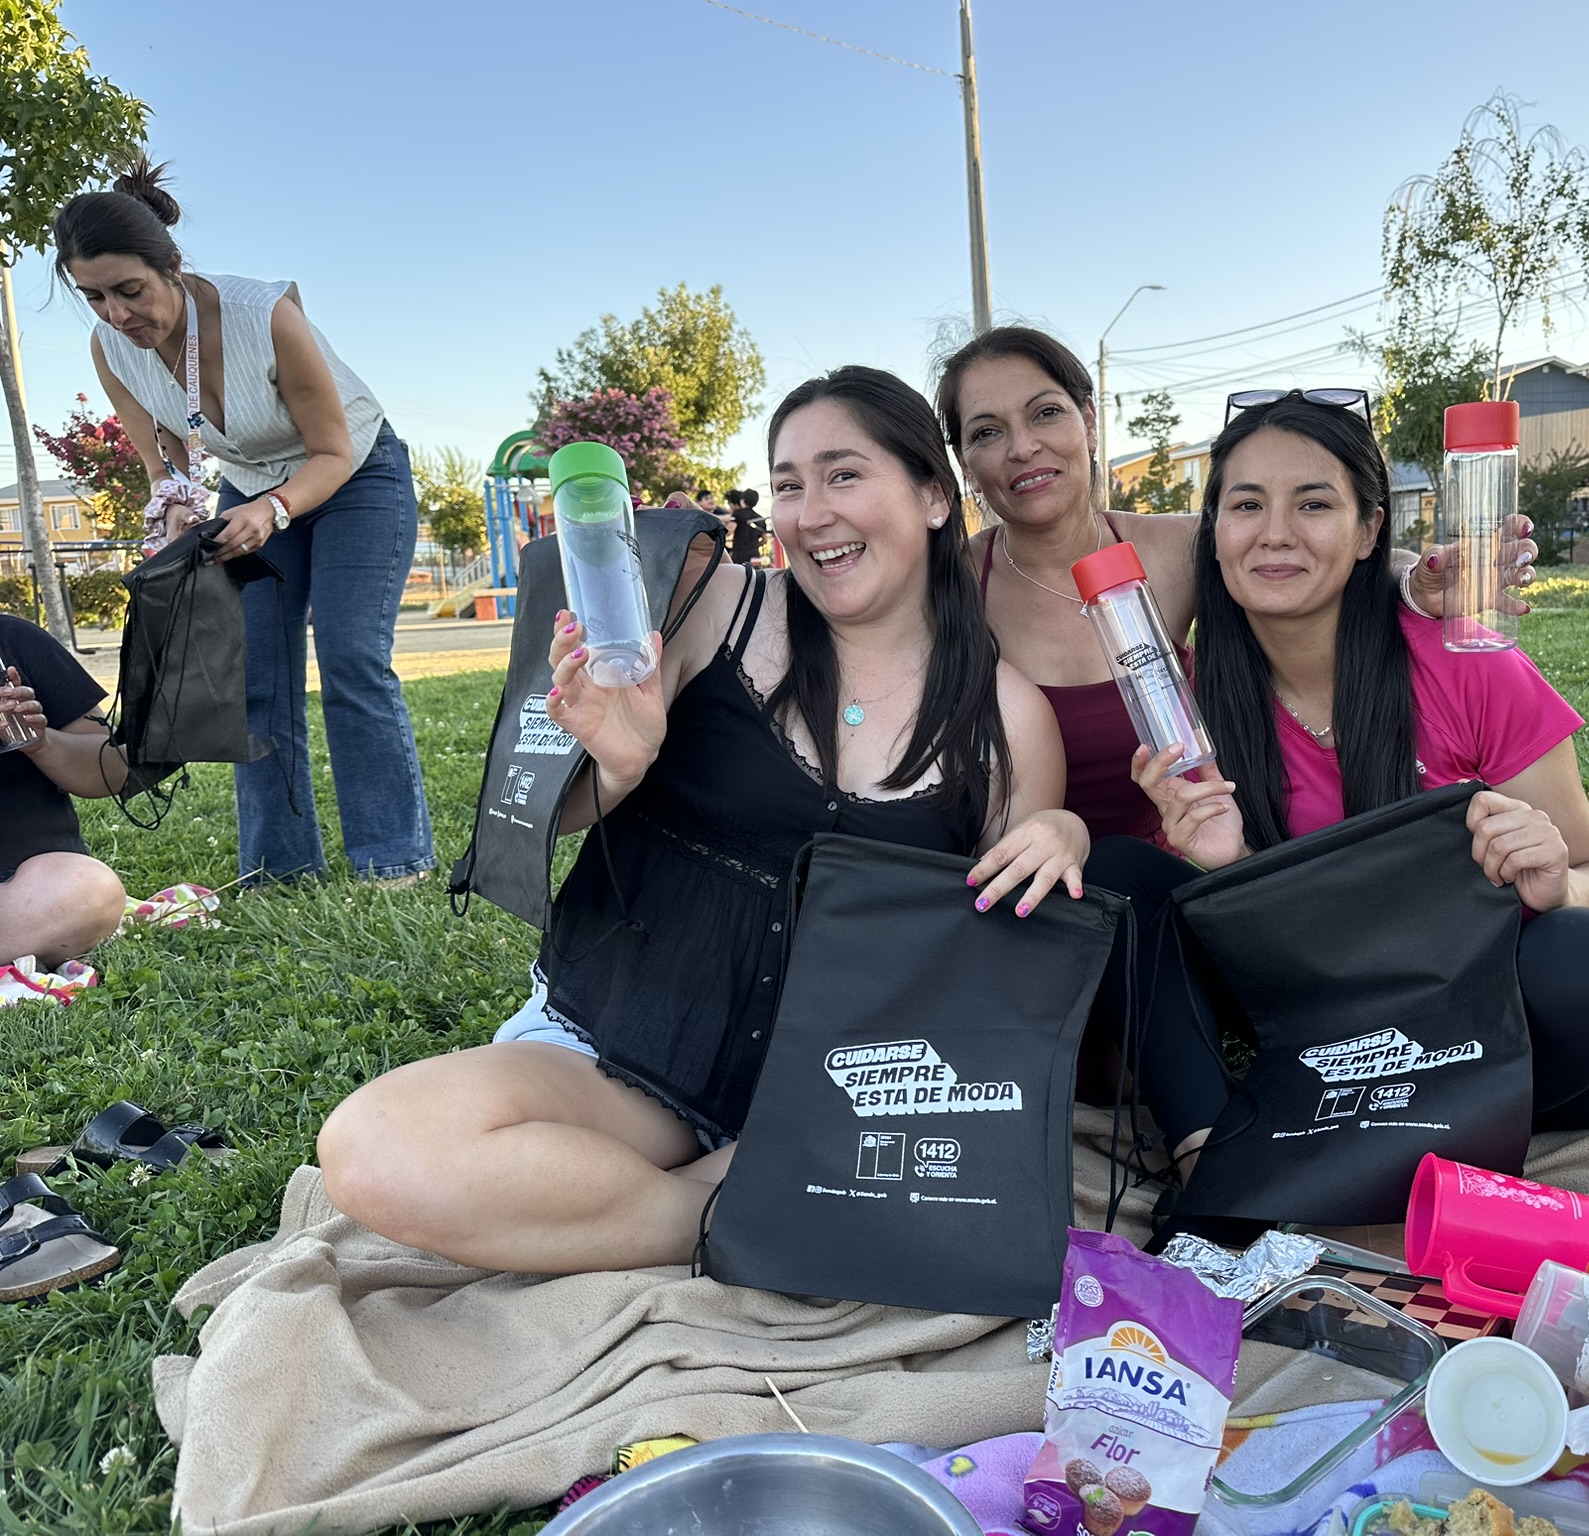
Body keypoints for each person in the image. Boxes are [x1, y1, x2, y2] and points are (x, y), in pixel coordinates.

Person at [316, 366, 1090, 1273]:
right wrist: (619, 762)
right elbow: (548, 819)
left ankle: (669, 1204)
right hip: (619, 1052)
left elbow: (1001, 979)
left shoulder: (1008, 718)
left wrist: (1063, 834)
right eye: (791, 484)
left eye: (844, 475)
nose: (812, 514)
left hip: (837, 1102)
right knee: (380, 1148)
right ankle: (738, 1211)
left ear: (929, 494)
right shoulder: (712, 606)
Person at [931, 328, 1534, 1156]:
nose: (1022, 447)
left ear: (1088, 421)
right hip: (1038, 878)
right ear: (964, 460)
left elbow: (1298, 549)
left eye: (1044, 413)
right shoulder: (958, 590)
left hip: (1175, 871)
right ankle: (1209, 1140)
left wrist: (1422, 581)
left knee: (1134, 979)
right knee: (1080, 1064)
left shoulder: (1177, 547)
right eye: (986, 431)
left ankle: (1216, 1142)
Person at [1131, 390, 1589, 1168]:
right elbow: (1258, 964)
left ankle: (1376, 1141)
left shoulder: (1468, 662)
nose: (1274, 534)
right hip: (1328, 1026)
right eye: (1247, 505)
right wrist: (1230, 868)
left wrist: (1556, 884)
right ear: (1215, 534)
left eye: (1314, 503)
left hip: (1490, 1019)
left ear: (1370, 528)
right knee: (1119, 880)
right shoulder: (1189, 711)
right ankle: (1216, 1163)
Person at [55, 162, 434, 886]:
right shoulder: (112, 351)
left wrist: (276, 510)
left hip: (355, 475)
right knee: (253, 675)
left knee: (353, 656)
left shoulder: (266, 314)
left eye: (129, 290)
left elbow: (331, 451)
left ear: (171, 267)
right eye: (95, 297)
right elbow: (161, 455)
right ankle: (279, 865)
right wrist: (171, 506)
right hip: (249, 485)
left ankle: (393, 861)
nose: (116, 315)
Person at [0, 615, 129, 965]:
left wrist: (40, 743)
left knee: (87, 891)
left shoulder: (15, 640)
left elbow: (113, 770)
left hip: (23, 891)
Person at [731, 487, 769, 566]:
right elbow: (765, 540)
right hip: (754, 553)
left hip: (739, 554)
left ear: (742, 500)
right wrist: (755, 545)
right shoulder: (760, 518)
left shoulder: (738, 513)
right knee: (754, 575)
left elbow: (730, 530)